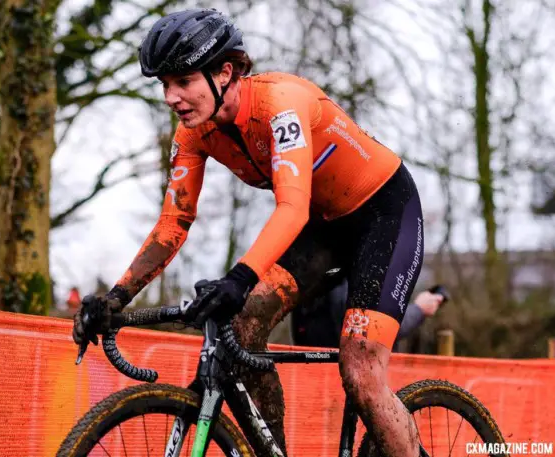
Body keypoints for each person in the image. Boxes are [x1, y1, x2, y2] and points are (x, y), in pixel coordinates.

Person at [73, 9, 425, 457]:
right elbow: (174, 221)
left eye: (182, 80)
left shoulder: (281, 104)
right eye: (164, 84)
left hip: (382, 214)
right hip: (322, 228)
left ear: (225, 71)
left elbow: (291, 207)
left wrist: (239, 278)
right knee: (242, 328)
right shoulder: (194, 133)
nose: (171, 97)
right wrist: (116, 297)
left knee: (359, 366)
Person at [292, 275, 448, 350]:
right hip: (346, 377)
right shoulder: (346, 276)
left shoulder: (318, 274)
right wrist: (419, 309)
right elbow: (377, 327)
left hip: (318, 375)